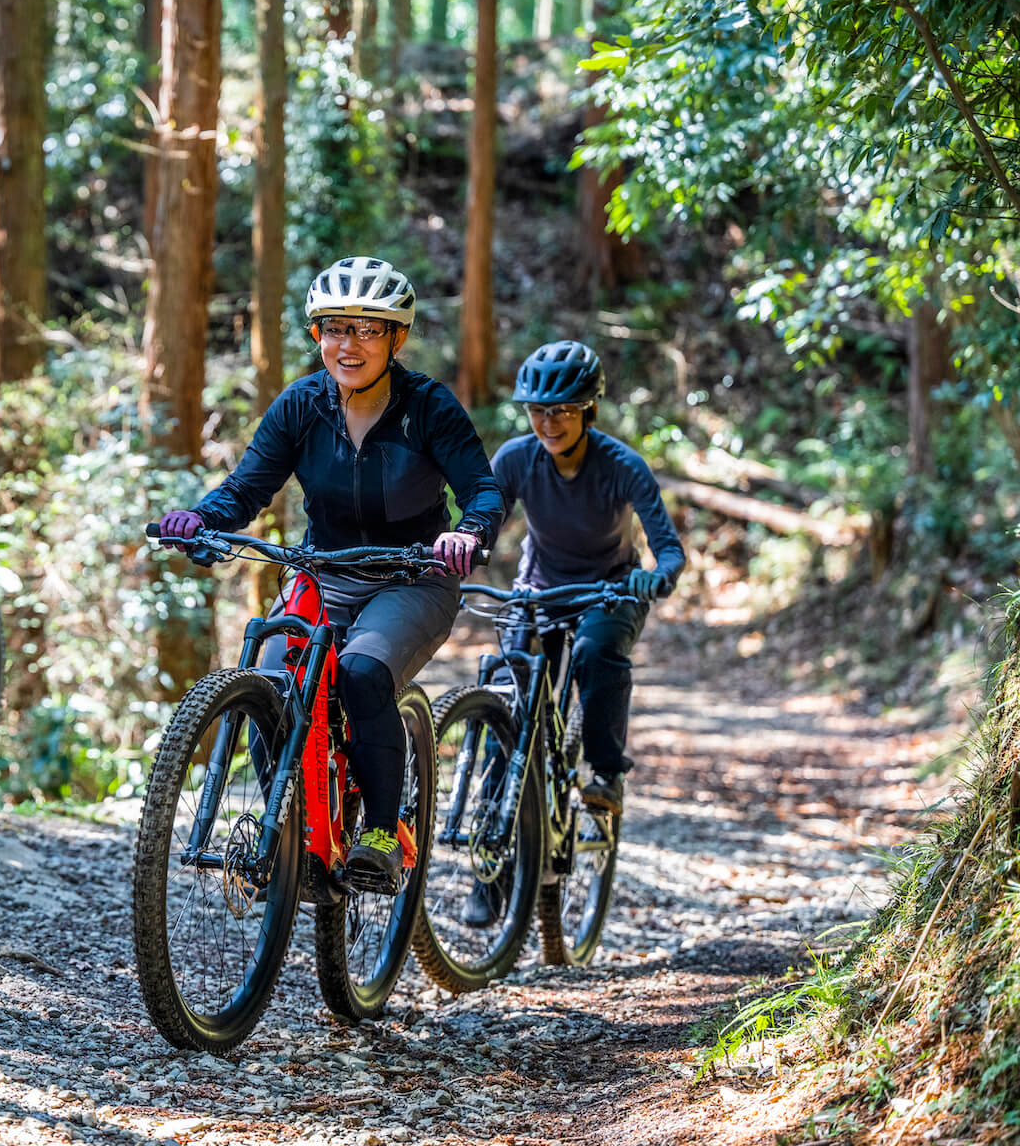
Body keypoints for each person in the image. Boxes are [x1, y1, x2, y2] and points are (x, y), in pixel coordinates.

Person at [157, 257, 503, 894]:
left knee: (364, 674)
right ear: (317, 335)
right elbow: (245, 488)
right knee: (266, 677)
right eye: (335, 328)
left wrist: (467, 534)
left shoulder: (429, 407)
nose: (349, 345)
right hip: (324, 573)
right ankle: (288, 829)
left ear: (396, 339)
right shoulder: (302, 406)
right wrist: (200, 522)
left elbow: (482, 491)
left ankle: (378, 832)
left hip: (413, 577)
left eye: (368, 330)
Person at [490, 339, 685, 825]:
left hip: (611, 589)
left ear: (588, 410)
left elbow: (670, 550)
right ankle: (495, 822)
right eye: (537, 411)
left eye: (562, 411)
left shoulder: (622, 466)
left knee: (594, 654)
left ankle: (605, 773)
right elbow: (481, 522)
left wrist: (656, 577)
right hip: (540, 587)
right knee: (509, 696)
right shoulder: (516, 459)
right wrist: (454, 552)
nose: (548, 424)